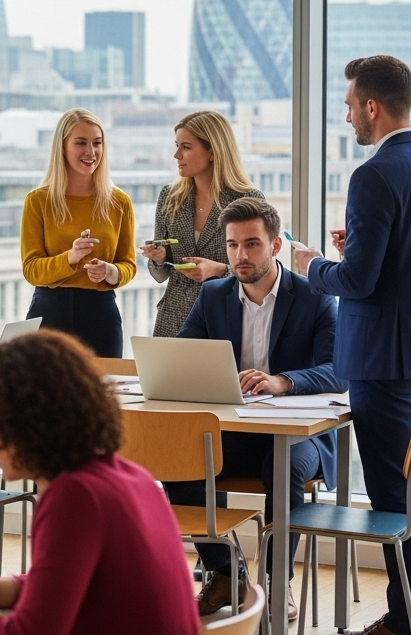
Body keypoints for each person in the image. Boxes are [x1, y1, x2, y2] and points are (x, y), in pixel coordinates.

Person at [0, 330, 199, 635]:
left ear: (26, 424)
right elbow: (57, 585)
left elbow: (30, 632)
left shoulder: (75, 496)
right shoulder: (129, 476)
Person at [295, 55, 411, 635]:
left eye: (350, 106)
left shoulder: (372, 175)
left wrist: (310, 264)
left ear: (372, 107)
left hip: (384, 363)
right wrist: (361, 247)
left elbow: (357, 283)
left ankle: (409, 625)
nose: (347, 116)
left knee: (393, 504)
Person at [165, 197, 341, 620]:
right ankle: (228, 576)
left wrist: (284, 381)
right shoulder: (213, 294)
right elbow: (183, 353)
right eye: (231, 246)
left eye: (252, 244)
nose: (240, 256)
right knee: (181, 462)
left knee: (283, 468)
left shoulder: (314, 296)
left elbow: (339, 370)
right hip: (236, 429)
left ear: (276, 245)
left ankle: (279, 582)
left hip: (298, 436)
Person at [19, 108, 136, 358]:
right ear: (62, 147)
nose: (91, 152)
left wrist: (110, 271)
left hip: (101, 313)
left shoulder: (119, 202)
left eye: (97, 143)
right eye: (81, 143)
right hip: (50, 312)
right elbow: (31, 270)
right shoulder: (38, 201)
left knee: (101, 393)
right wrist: (70, 258)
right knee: (43, 393)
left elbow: (128, 264)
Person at [142, 111, 264, 337]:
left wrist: (218, 270)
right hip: (173, 320)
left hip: (224, 319)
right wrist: (159, 258)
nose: (176, 155)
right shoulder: (169, 197)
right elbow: (159, 275)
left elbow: (260, 271)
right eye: (177, 146)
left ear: (212, 151)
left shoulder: (248, 199)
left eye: (186, 147)